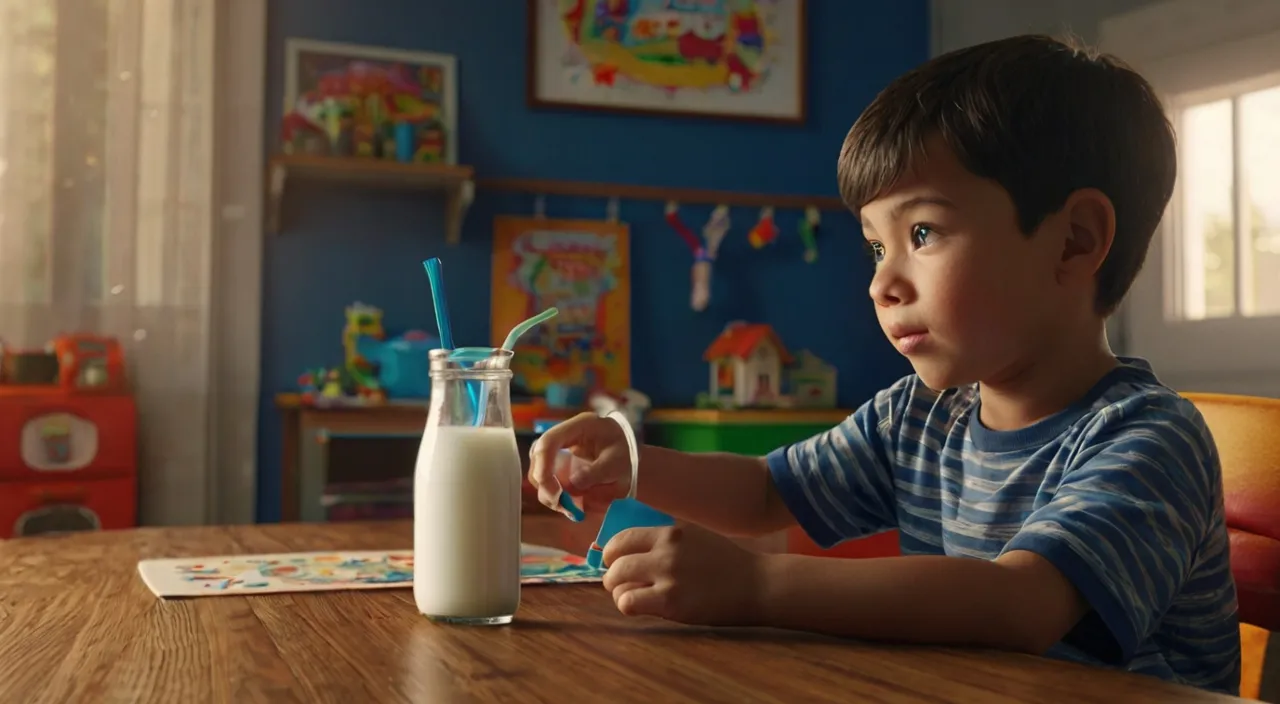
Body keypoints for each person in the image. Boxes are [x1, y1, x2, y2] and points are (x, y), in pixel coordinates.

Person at [528, 34, 1241, 695]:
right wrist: (633, 463)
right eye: (876, 246)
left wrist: (761, 588)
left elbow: (1021, 604)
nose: (881, 283)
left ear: (1074, 243)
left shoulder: (1147, 438)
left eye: (922, 233)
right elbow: (766, 493)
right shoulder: (920, 416)